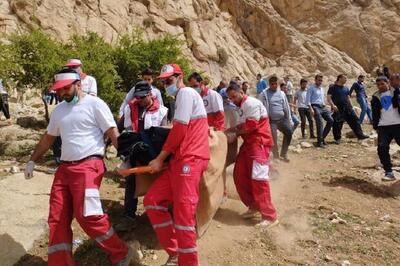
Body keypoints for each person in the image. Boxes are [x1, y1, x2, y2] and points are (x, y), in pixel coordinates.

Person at [23, 68, 132, 266]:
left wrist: (125, 158)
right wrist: (32, 160)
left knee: (88, 216)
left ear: (78, 84)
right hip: (64, 170)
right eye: (59, 90)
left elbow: (112, 131)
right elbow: (48, 138)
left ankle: (121, 253)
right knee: (57, 218)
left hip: (89, 166)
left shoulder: (95, 104)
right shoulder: (59, 111)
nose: (62, 93)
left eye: (66, 88)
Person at [143, 64, 209, 266]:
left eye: (169, 80)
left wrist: (160, 159)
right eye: (163, 82)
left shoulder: (186, 93)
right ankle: (176, 252)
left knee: (183, 214)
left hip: (190, 159)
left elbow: (180, 130)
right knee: (152, 200)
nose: (166, 85)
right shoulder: (181, 98)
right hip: (180, 160)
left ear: (180, 77)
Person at [225, 82, 278, 228]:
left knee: (259, 179)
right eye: (230, 98)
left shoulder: (251, 104)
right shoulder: (241, 107)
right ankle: (254, 205)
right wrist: (227, 130)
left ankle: (270, 215)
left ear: (241, 92)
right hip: (249, 145)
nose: (233, 100)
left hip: (259, 143)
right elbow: (241, 125)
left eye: (234, 96)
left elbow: (251, 126)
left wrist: (234, 132)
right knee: (239, 174)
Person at [117, 81, 168, 231]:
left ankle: (160, 214)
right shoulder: (129, 109)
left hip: (154, 153)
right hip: (134, 151)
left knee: (158, 182)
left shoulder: (162, 111)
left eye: (143, 97)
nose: (140, 100)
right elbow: (121, 128)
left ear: (151, 94)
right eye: (137, 97)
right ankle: (129, 216)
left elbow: (164, 132)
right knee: (131, 182)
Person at [371, 76, 400, 181]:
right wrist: (376, 126)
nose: (380, 86)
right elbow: (375, 113)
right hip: (383, 126)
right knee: (382, 148)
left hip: (398, 124)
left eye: (382, 84)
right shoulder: (375, 98)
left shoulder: (396, 92)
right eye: (378, 85)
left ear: (388, 83)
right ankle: (389, 172)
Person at [327, 74, 369, 144]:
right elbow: (329, 98)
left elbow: (348, 97)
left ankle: (360, 135)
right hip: (338, 108)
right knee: (337, 123)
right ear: (339, 78)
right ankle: (337, 139)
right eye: (344, 78)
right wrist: (333, 106)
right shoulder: (332, 87)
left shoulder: (346, 88)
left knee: (355, 120)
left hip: (347, 107)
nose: (346, 79)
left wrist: (351, 106)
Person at [260, 76, 293, 162]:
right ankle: (276, 156)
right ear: (269, 84)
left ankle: (284, 153)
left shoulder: (282, 94)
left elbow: (286, 107)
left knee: (289, 132)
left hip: (282, 119)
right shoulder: (264, 94)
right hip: (271, 121)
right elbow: (260, 107)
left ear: (278, 84)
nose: (274, 86)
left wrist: (289, 119)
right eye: (272, 84)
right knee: (273, 137)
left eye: (275, 84)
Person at [306, 74, 333, 148]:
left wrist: (326, 106)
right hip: (315, 106)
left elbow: (322, 99)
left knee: (331, 120)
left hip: (322, 107)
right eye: (319, 80)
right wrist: (310, 108)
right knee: (320, 124)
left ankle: (322, 138)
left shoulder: (322, 88)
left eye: (321, 80)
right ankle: (319, 142)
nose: (320, 81)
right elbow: (307, 99)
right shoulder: (311, 88)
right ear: (315, 80)